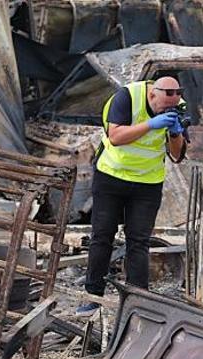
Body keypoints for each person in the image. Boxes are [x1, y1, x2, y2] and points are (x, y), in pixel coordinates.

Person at [76, 76, 187, 316]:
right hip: (111, 178)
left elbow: (177, 156)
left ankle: (139, 302)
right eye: (163, 106)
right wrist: (152, 124)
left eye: (173, 104)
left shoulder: (175, 105)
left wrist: (176, 133)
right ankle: (92, 297)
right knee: (102, 236)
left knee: (139, 241)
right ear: (152, 94)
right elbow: (115, 137)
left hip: (147, 183)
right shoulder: (127, 97)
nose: (168, 109)